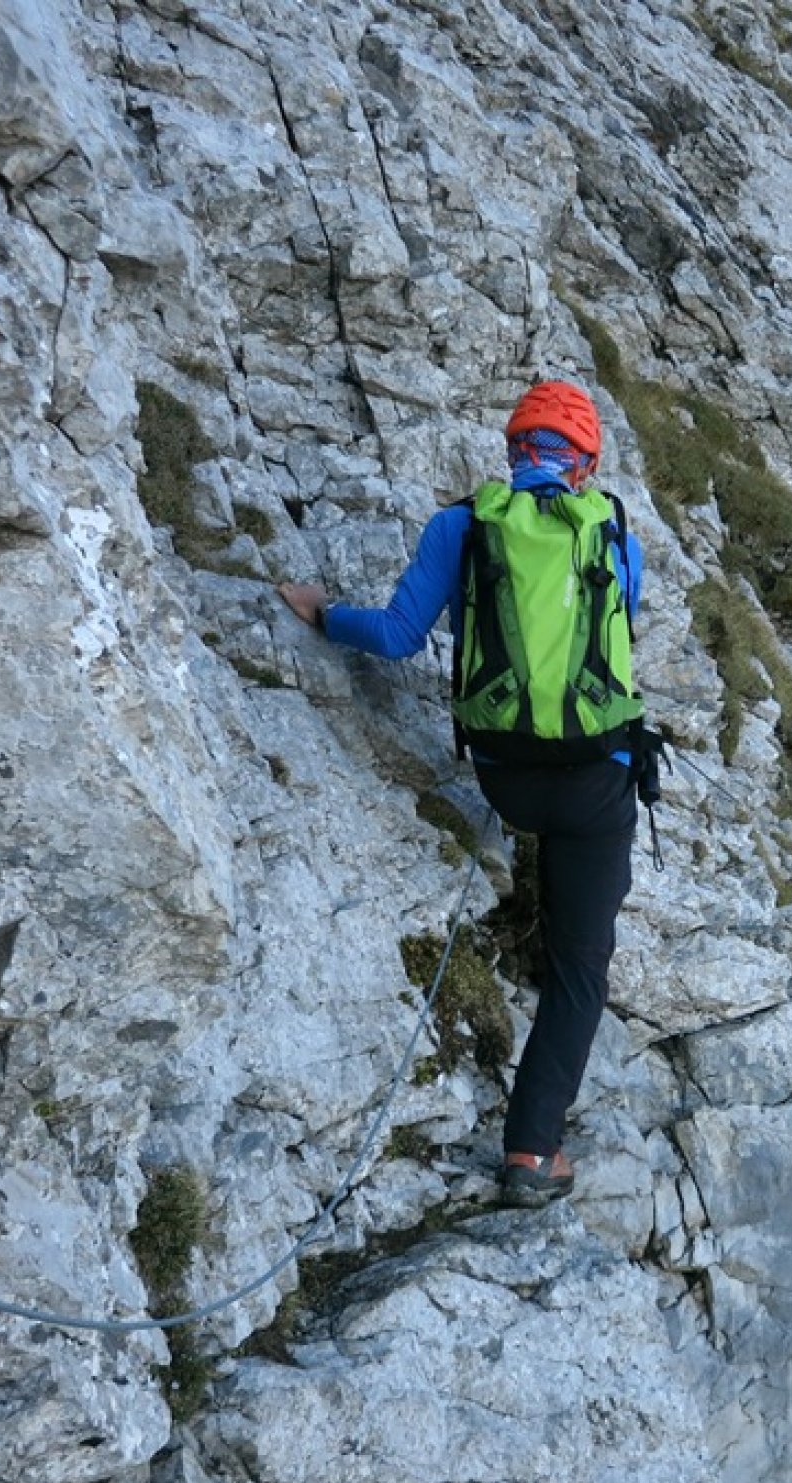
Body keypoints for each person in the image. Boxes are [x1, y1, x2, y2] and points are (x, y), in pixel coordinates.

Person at [277, 381, 644, 1208]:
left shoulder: (462, 525)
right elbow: (619, 635)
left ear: (514, 451)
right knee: (580, 968)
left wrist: (325, 614)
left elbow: (399, 636)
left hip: (504, 778)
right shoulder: (613, 528)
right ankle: (532, 1154)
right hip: (595, 783)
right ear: (585, 464)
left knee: (543, 837)